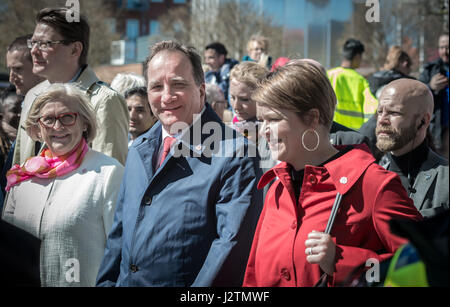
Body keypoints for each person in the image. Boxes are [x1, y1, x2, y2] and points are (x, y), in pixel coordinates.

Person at [96, 40, 263, 287]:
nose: (166, 96)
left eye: (178, 84)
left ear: (202, 91)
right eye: (155, 86)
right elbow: (119, 236)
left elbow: (229, 251)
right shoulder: (138, 149)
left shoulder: (236, 154)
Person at [243, 60, 422, 287]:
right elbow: (253, 278)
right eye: (261, 121)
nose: (264, 131)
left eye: (274, 119)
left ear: (312, 119)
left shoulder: (373, 184)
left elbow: (421, 263)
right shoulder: (277, 187)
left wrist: (343, 260)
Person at [1, 84, 124, 287]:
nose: (57, 127)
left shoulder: (108, 173)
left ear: (84, 123)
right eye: (48, 119)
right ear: (38, 127)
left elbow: (120, 250)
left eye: (67, 117)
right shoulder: (22, 176)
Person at [13, 7, 129, 166]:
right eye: (33, 43)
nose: (34, 51)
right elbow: (17, 170)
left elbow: (110, 178)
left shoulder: (105, 101)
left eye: (45, 44)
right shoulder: (32, 96)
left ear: (75, 49)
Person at [375, 79, 449, 219]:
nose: (382, 120)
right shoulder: (366, 175)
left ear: (423, 121)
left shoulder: (445, 180)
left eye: (394, 112)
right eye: (380, 112)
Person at [327, 38, 378, 130]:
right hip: (354, 134)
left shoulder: (328, 75)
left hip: (330, 130)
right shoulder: (361, 81)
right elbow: (371, 108)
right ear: (357, 56)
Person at [419, 32, 449, 159]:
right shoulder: (430, 69)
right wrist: (430, 87)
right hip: (438, 127)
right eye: (442, 47)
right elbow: (417, 94)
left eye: (448, 47)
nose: (445, 51)